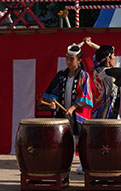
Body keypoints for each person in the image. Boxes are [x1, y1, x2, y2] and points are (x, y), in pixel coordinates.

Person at [42, 42, 94, 174]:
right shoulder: (61, 75)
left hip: (78, 113)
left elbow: (84, 95)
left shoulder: (84, 76)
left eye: (71, 59)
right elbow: (53, 92)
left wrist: (72, 108)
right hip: (64, 112)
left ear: (79, 60)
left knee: (79, 139)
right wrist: (53, 101)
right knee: (63, 139)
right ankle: (62, 164)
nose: (68, 61)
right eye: (67, 58)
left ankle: (84, 164)